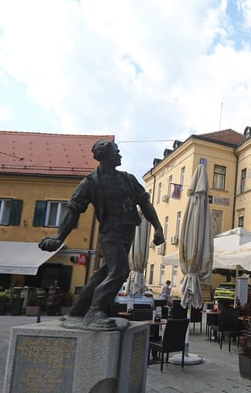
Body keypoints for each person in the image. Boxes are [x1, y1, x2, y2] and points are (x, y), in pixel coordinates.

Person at [39, 139, 165, 331]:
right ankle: (95, 311)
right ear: (106, 155)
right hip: (110, 232)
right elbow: (73, 210)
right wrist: (59, 237)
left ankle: (76, 311)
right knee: (121, 271)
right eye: (117, 151)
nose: (120, 155)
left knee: (105, 273)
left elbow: (145, 203)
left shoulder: (128, 179)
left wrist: (158, 227)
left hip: (128, 230)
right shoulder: (91, 182)